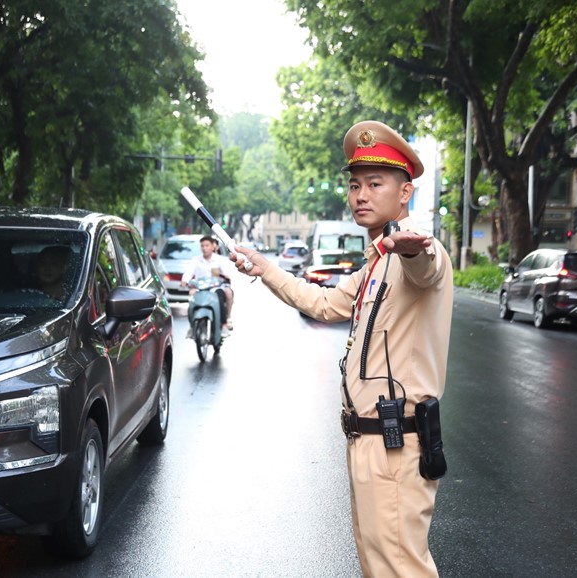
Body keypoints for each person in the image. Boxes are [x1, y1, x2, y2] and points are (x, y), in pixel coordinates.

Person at [230, 120, 453, 577]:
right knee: (378, 565)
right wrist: (263, 267)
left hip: (397, 442)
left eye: (375, 184)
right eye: (354, 185)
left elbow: (424, 267)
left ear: (405, 191)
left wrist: (410, 249)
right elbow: (322, 302)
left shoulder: (418, 253)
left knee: (401, 567)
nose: (360, 196)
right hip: (367, 440)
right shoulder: (375, 262)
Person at [181, 235, 236, 336]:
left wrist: (225, 275)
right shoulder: (196, 260)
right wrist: (184, 281)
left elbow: (229, 273)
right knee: (191, 299)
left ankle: (224, 324)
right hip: (200, 289)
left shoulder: (220, 260)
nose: (204, 248)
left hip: (216, 288)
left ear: (212, 246)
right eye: (202, 246)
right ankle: (192, 327)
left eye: (207, 245)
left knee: (220, 297)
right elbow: (188, 272)